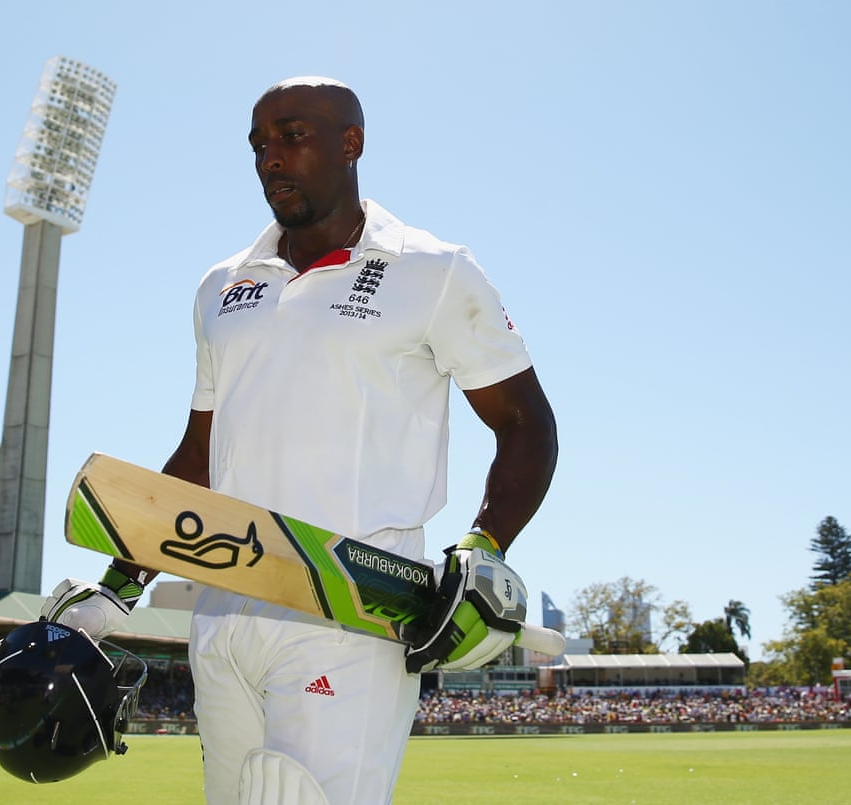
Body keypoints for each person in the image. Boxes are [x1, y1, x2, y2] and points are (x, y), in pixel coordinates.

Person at [44, 76, 558, 804]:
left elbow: (527, 424)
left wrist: (486, 544)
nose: (271, 158)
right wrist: (119, 586)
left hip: (352, 610)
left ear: (352, 144)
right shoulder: (222, 286)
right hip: (221, 612)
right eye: (259, 144)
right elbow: (200, 455)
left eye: (292, 136)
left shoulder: (434, 270)